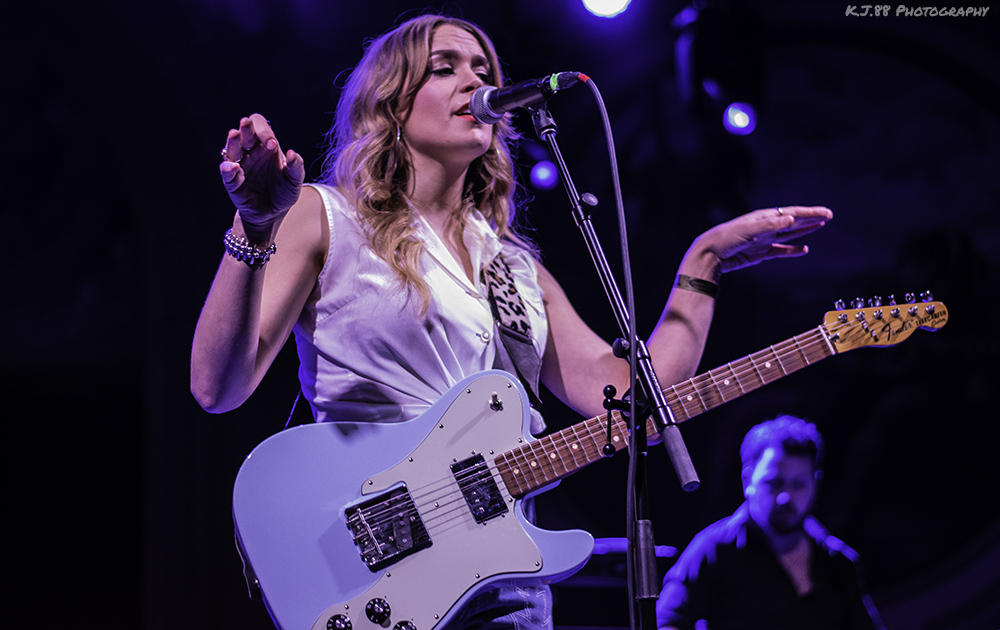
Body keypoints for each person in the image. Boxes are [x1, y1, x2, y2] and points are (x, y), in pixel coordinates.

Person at [190, 13, 833, 630]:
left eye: (482, 68)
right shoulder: (325, 215)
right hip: (373, 558)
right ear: (391, 103)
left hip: (499, 582)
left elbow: (632, 399)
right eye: (445, 67)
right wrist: (254, 226)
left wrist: (704, 263)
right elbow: (217, 387)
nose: (474, 80)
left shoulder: (512, 266)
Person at [656, 415, 885, 630]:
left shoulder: (838, 561)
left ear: (815, 484)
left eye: (798, 484)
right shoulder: (714, 550)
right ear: (747, 480)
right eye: (774, 483)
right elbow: (665, 622)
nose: (785, 496)